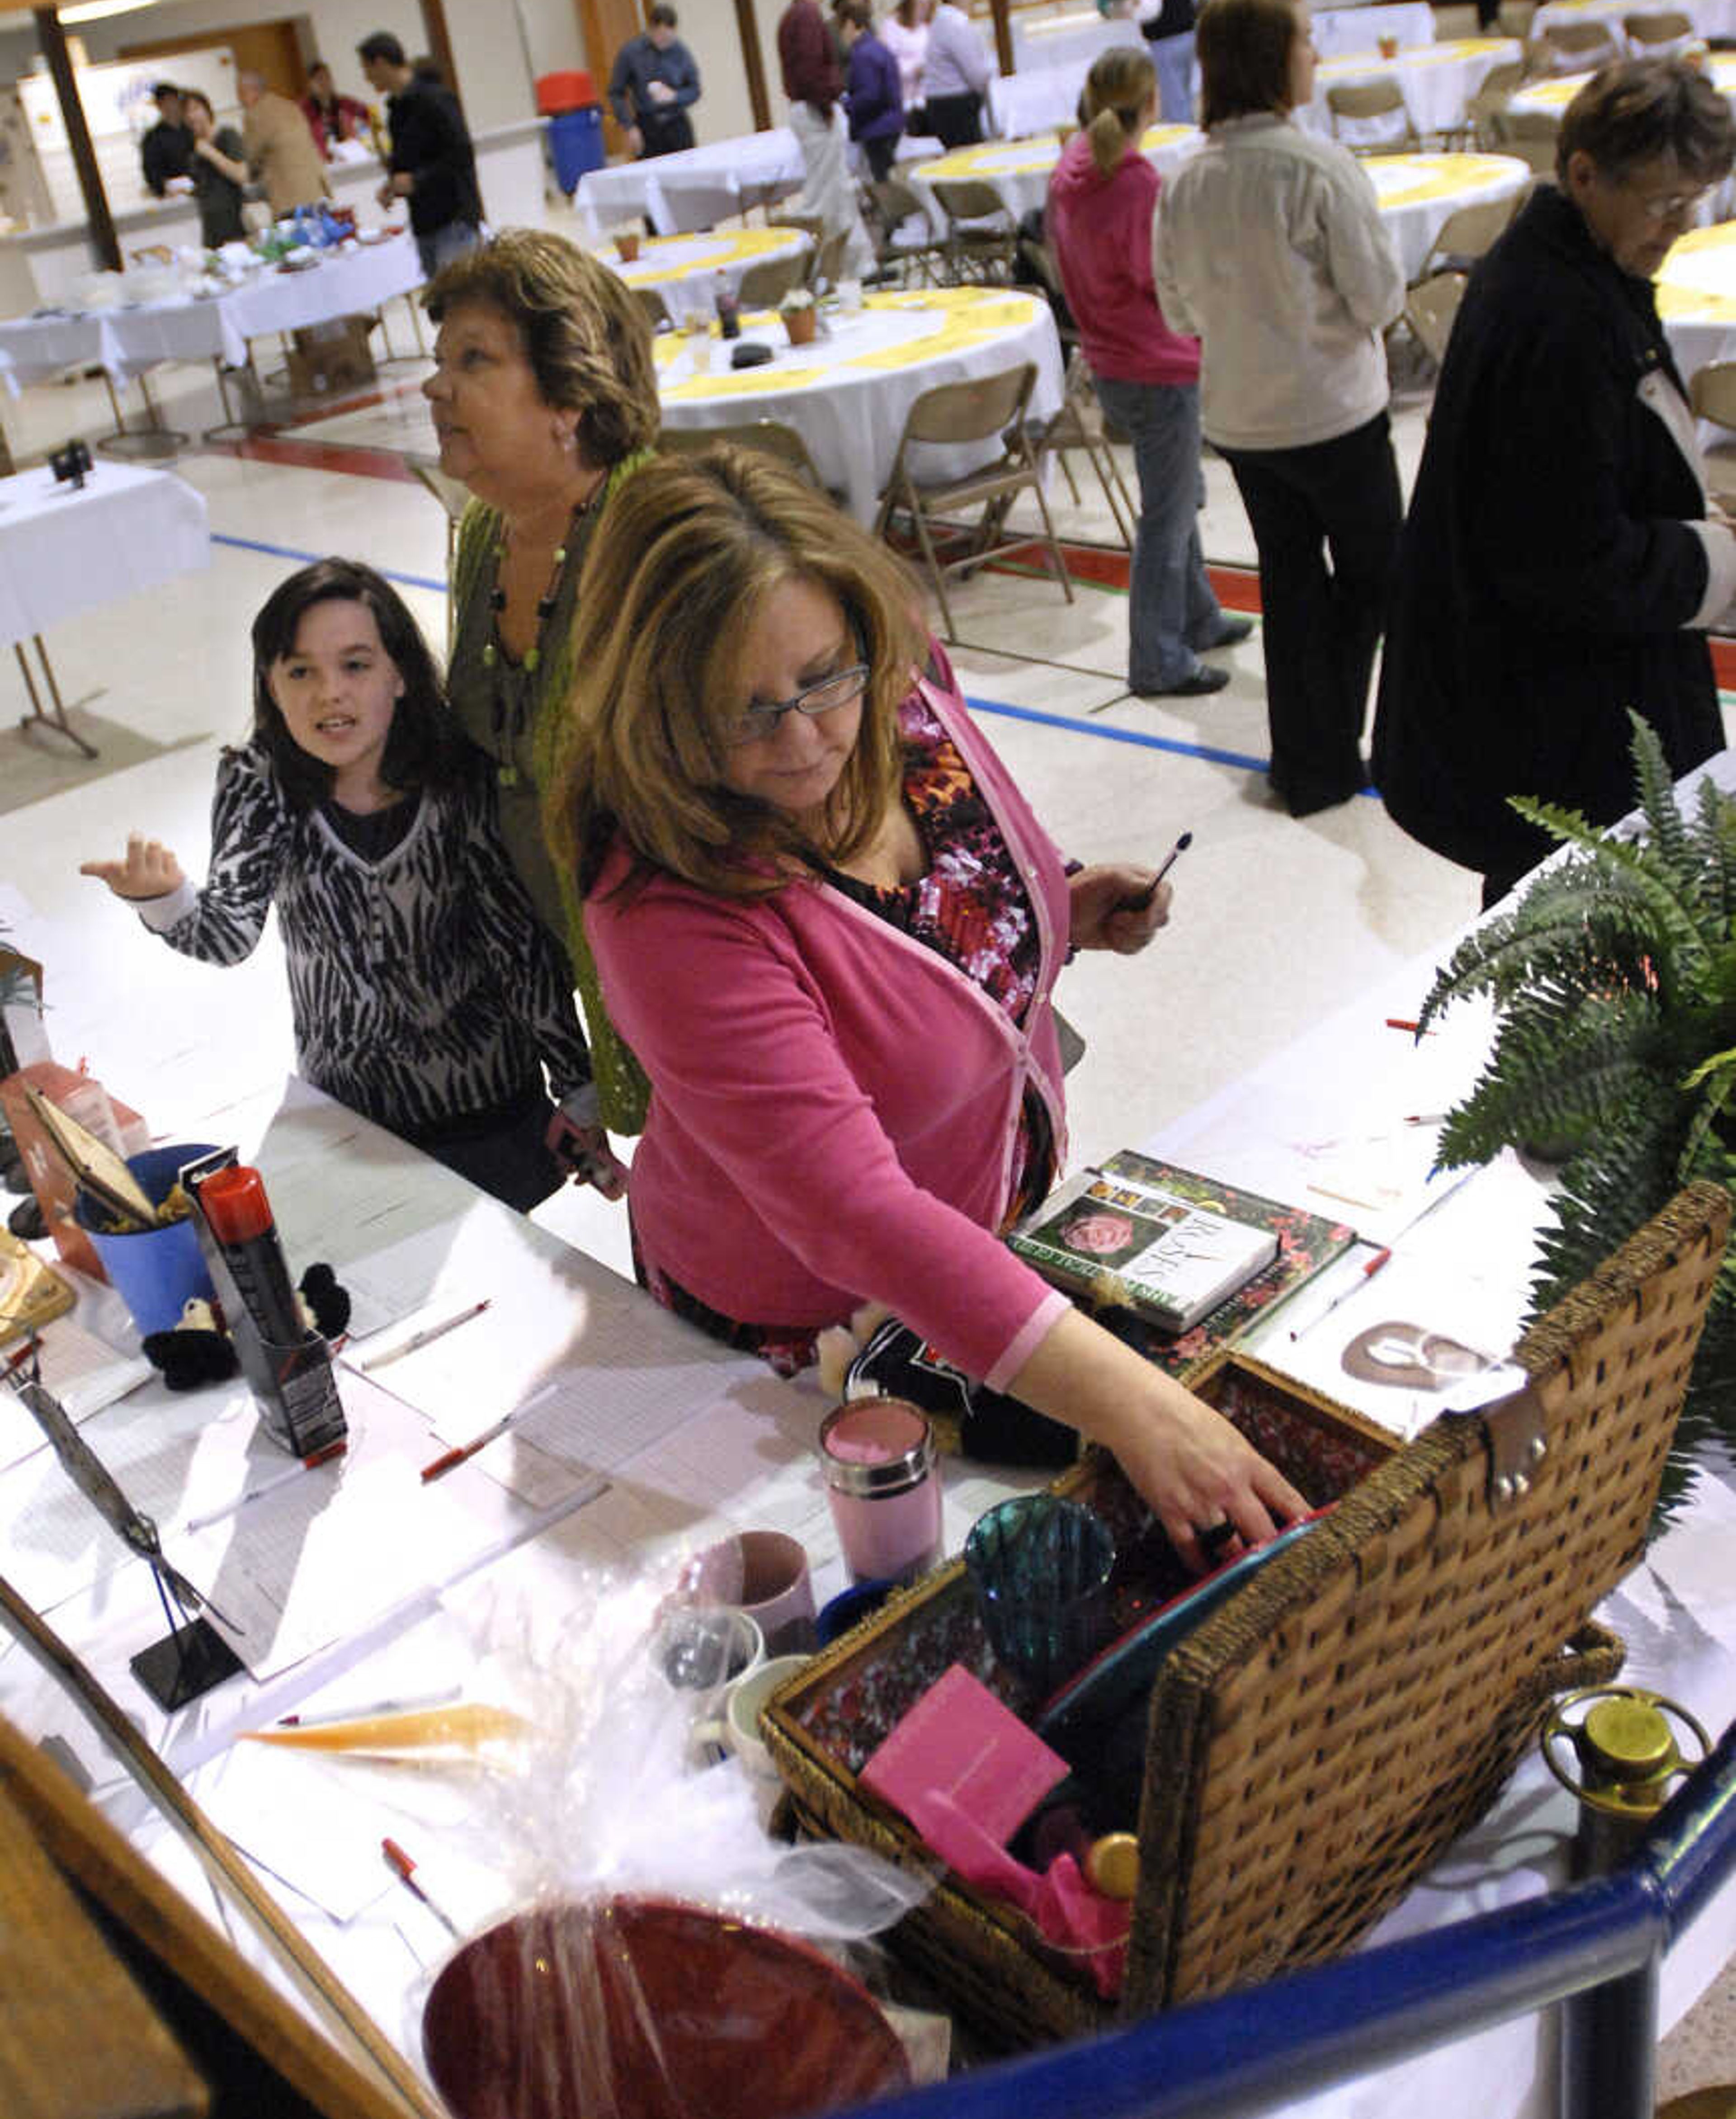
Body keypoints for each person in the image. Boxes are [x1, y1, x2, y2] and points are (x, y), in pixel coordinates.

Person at [546, 449, 1307, 1566]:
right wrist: (1141, 1408)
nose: (806, 738)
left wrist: (1054, 914)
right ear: (661, 720)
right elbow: (857, 1213)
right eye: (745, 714)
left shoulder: (898, 691)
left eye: (823, 678)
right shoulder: (662, 901)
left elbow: (934, 909)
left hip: (993, 1236)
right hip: (809, 1327)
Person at [80, 560, 602, 1213]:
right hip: (350, 1110)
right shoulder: (258, 780)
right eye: (300, 671)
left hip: (487, 1105)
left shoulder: (457, 775)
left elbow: (519, 948)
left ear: (400, 674)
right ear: (269, 685)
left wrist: (579, 1087)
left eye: (356, 665)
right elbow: (229, 936)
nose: (330, 692)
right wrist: (164, 900)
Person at [1373, 60, 1736, 907]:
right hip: (1552, 721)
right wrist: (1715, 561)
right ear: (1584, 175)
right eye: (1663, 203)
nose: (1682, 224)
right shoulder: (1559, 321)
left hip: (1551, 702)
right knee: (1570, 939)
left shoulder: (1571, 265)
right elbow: (1568, 563)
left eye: (1697, 201)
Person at [422, 230, 660, 1138]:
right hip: (589, 976)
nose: (434, 387)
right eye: (439, 362)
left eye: (474, 360)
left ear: (571, 395)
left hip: (714, 977)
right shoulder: (487, 535)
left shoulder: (656, 536)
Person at [1153, 0, 1406, 815]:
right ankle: (1330, 749)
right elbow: (1379, 301)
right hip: (1334, 412)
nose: (1316, 54)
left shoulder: (1185, 184)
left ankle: (1307, 758)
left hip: (1245, 423)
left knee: (1292, 584)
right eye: (1305, 39)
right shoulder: (1319, 168)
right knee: (1375, 579)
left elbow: (1178, 310)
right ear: (1272, 59)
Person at [1049, 47, 1252, 699]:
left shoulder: (1071, 167)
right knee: (1166, 515)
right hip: (1158, 365)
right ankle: (1158, 659)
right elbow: (1162, 279)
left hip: (1111, 360)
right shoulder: (1134, 181)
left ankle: (1197, 615)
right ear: (1153, 103)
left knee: (1178, 494)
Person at [357, 30, 482, 278]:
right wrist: (392, 184)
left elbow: (462, 153)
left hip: (453, 218)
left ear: (381, 63)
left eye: (367, 69)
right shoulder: (396, 111)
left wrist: (417, 180)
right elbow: (409, 161)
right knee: (440, 308)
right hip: (424, 222)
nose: (367, 78)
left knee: (461, 299)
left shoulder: (435, 99)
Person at [777, 0, 874, 275]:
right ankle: (812, 267)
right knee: (823, 197)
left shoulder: (792, 16)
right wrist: (828, 103)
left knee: (837, 193)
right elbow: (811, 71)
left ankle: (855, 266)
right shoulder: (806, 16)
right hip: (815, 109)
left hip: (810, 107)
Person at [607, 4, 701, 160]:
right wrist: (629, 127)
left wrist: (675, 96)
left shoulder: (680, 51)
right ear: (650, 29)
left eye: (668, 37)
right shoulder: (631, 53)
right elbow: (616, 93)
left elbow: (695, 90)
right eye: (659, 36)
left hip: (677, 123)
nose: (663, 42)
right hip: (647, 126)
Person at [237, 71, 328, 217]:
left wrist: (246, 173)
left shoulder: (254, 115)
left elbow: (251, 155)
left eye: (241, 94)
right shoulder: (291, 106)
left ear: (252, 91)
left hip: (288, 195)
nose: (240, 100)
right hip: (316, 189)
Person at [837, 0, 904, 183]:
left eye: (841, 29)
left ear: (850, 25)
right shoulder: (879, 48)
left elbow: (870, 95)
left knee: (884, 184)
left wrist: (847, 104)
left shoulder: (862, 55)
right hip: (891, 123)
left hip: (877, 128)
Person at [924, 0, 993, 148]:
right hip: (956, 104)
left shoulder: (941, 22)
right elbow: (975, 74)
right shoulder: (955, 24)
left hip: (942, 103)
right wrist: (988, 74)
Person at [1137, 0, 1198, 123]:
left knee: (1173, 101)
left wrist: (1133, 13)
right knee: (1186, 95)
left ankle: (1183, 143)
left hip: (1165, 41)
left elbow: (1151, 9)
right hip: (1189, 35)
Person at [180, 89, 249, 248]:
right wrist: (183, 189)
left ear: (207, 110)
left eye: (196, 109)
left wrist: (210, 153)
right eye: (186, 113)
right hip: (211, 233)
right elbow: (203, 189)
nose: (191, 117)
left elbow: (242, 175)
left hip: (238, 225)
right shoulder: (194, 150)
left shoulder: (227, 135)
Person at [880, 0, 934, 127]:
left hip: (924, 97)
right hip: (902, 98)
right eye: (920, 3)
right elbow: (888, 64)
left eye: (927, 5)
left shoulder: (927, 28)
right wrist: (914, 69)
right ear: (909, 2)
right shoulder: (891, 26)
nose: (924, 9)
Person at [301, 61, 371, 159]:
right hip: (320, 159)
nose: (324, 83)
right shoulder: (304, 110)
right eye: (319, 79)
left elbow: (370, 117)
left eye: (327, 78)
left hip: (350, 155)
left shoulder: (346, 103)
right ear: (310, 84)